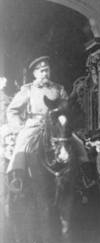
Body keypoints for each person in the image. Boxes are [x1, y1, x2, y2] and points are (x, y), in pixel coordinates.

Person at [6, 56, 86, 189]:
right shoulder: (28, 89)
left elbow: (66, 107)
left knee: (78, 143)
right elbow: (12, 110)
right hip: (34, 125)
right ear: (35, 73)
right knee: (21, 143)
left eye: (47, 70)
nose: (45, 74)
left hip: (55, 125)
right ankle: (17, 177)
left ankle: (85, 175)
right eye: (41, 71)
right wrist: (19, 127)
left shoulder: (58, 88)